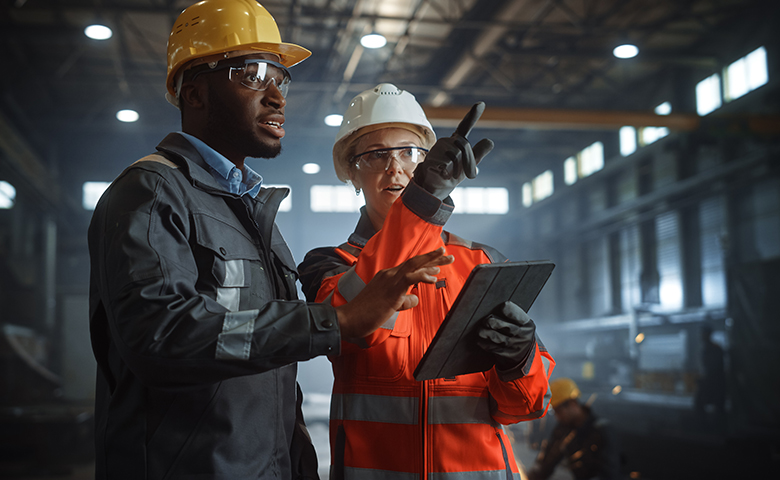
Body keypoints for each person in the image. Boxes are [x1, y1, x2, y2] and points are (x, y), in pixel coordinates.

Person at [87, 3, 452, 479]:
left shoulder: (253, 213)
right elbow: (163, 337)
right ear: (194, 92)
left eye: (280, 79)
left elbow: (269, 368)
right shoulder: (152, 193)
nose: (276, 96)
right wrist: (334, 320)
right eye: (253, 75)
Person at [297, 83, 555, 479]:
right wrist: (424, 199)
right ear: (351, 172)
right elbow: (351, 326)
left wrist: (519, 360)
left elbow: (522, 408)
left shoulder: (481, 263)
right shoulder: (330, 265)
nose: (395, 167)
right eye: (376, 155)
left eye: (410, 153)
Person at [526, 378, 621, 480]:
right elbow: (548, 460)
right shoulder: (563, 429)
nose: (557, 417)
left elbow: (609, 473)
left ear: (573, 404)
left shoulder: (601, 431)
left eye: (558, 411)